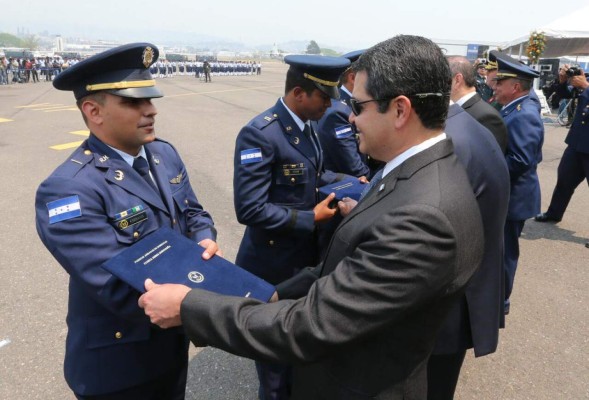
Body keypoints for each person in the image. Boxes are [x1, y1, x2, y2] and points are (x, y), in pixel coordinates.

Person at [139, 35, 485, 400]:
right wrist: (272, 295)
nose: (349, 117)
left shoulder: (424, 215)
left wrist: (189, 306)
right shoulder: (412, 174)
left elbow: (310, 326)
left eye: (359, 105)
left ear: (400, 110)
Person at [35, 43, 219, 400]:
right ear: (93, 111)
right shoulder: (69, 190)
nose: (150, 110)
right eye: (133, 102)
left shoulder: (162, 154)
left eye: (150, 99)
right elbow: (116, 287)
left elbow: (194, 213)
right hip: (119, 368)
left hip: (170, 349)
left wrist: (204, 239)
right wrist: (212, 305)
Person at [231, 54, 350, 400]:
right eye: (323, 97)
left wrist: (348, 180)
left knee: (298, 353)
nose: (328, 106)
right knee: (275, 368)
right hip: (274, 264)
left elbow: (315, 176)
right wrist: (310, 218)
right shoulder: (260, 134)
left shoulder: (308, 126)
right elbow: (250, 208)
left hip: (304, 260)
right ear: (299, 92)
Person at [428, 102, 510, 399]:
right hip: (457, 297)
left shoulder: (452, 141)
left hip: (448, 304)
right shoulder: (466, 126)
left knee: (432, 388)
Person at [490, 50, 544, 315]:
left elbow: (521, 160)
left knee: (505, 253)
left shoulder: (524, 114)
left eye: (499, 82)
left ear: (514, 87)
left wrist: (488, 172)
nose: (494, 86)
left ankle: (500, 302)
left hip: (514, 198)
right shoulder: (513, 108)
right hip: (510, 195)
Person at [535, 65, 589, 224]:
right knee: (564, 180)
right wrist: (564, 80)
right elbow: (565, 95)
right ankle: (554, 213)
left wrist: (585, 87)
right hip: (577, 142)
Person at [315, 50, 372, 178]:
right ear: (353, 78)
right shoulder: (338, 112)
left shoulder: (353, 104)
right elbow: (354, 168)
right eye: (372, 76)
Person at [447, 55, 508, 153]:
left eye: (443, 78)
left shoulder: (487, 117)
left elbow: (490, 162)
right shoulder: (457, 109)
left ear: (457, 80)